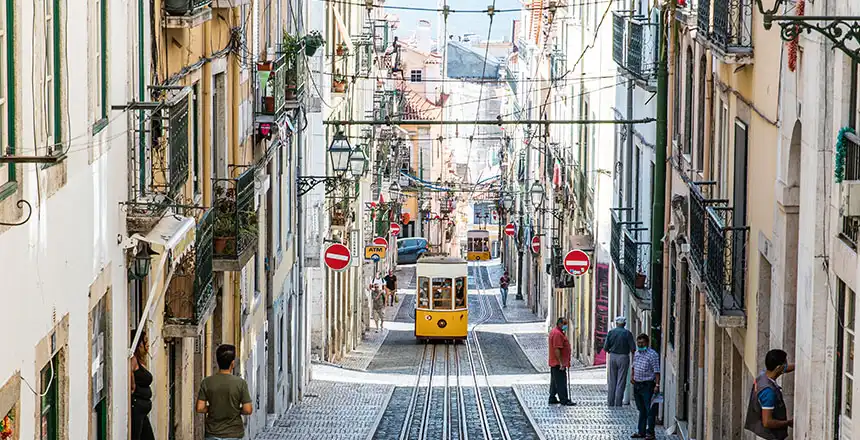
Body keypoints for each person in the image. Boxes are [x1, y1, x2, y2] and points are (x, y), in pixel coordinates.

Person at [196, 344, 253, 440]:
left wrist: (214, 409)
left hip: (212, 433)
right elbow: (248, 410)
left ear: (217, 361)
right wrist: (236, 410)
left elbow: (200, 408)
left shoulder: (206, 382)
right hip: (234, 433)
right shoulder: (240, 383)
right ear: (232, 363)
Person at [744, 349, 795, 439]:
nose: (786, 366)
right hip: (769, 436)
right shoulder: (768, 392)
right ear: (778, 367)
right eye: (785, 364)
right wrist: (788, 422)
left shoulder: (763, 374)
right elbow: (767, 422)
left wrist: (799, 366)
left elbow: (785, 369)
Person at [631, 334, 660, 439]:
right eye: (638, 343)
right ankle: (641, 431)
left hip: (647, 385)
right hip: (637, 384)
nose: (640, 344)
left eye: (642, 343)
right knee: (641, 409)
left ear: (647, 343)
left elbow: (657, 371)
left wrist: (657, 385)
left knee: (650, 410)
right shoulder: (637, 353)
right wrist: (632, 376)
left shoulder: (653, 355)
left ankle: (650, 433)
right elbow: (634, 366)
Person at [604, 316, 636, 407]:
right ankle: (618, 403)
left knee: (612, 380)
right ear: (624, 324)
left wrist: (610, 351)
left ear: (617, 324)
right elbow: (633, 348)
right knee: (621, 381)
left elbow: (605, 347)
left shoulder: (611, 332)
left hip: (613, 356)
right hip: (624, 357)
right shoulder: (627, 333)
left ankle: (610, 402)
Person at [130, 331, 155, 440]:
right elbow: (131, 383)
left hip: (142, 409)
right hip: (137, 408)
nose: (148, 344)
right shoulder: (133, 360)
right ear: (138, 344)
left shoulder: (140, 360)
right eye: (145, 341)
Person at [548, 317, 576, 406]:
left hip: (555, 362)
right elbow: (557, 349)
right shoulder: (557, 334)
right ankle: (564, 400)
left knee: (554, 381)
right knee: (561, 382)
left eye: (566, 324)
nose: (565, 326)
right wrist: (561, 363)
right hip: (558, 363)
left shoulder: (557, 332)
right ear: (559, 324)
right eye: (564, 324)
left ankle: (552, 397)